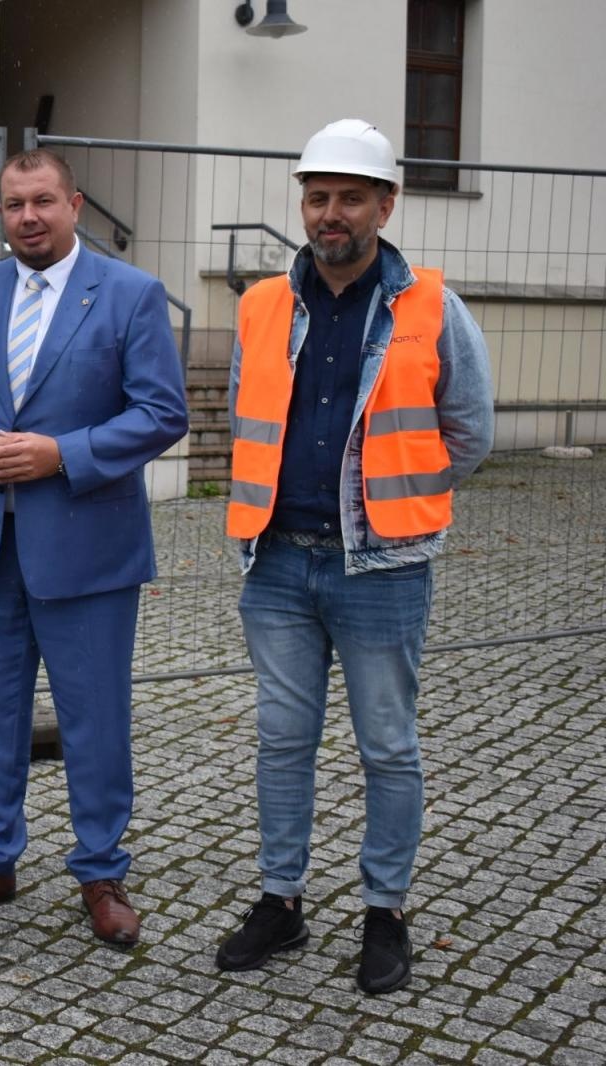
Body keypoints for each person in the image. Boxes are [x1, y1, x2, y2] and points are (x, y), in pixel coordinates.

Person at [215, 120, 493, 994]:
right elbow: (241, 411)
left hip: (383, 569)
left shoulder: (432, 307)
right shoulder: (262, 304)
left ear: (385, 204)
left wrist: (398, 500)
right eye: (316, 196)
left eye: (347, 197)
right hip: (278, 562)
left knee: (387, 746)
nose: (329, 214)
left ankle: (386, 912)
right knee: (283, 740)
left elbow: (471, 430)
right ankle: (281, 901)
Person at [0, 150, 188, 942]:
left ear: (75, 204)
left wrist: (60, 454)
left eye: (42, 202)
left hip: (88, 548)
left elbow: (162, 413)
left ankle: (101, 870)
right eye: (13, 204)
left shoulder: (130, 295)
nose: (27, 217)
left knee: (94, 718)